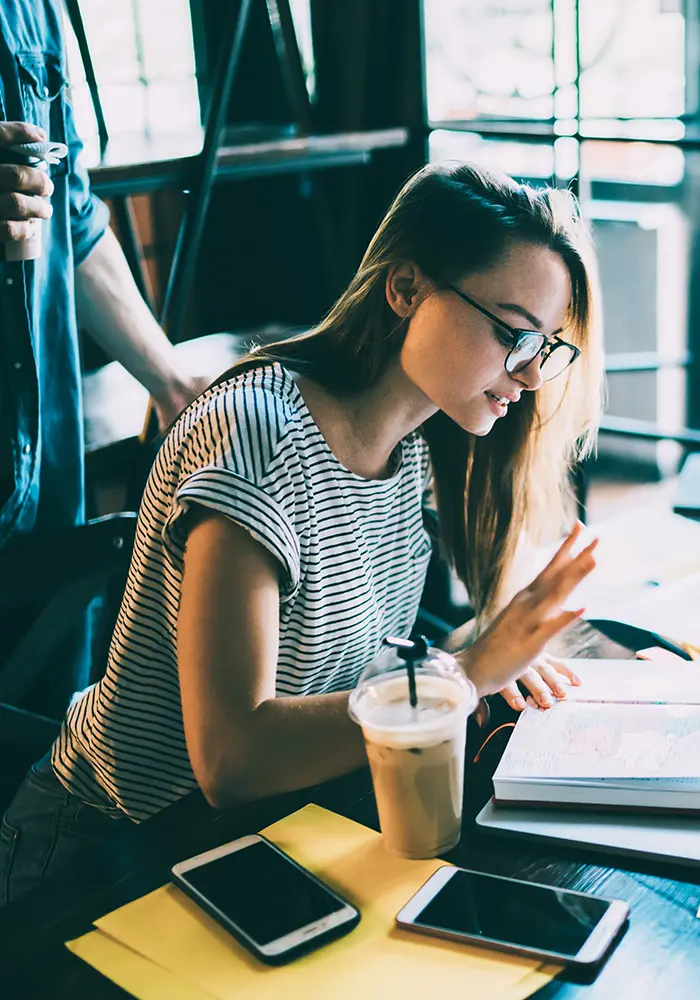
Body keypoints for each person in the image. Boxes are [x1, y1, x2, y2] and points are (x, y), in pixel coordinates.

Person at [0, 161, 603, 906]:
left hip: (259, 839)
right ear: (406, 288)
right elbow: (232, 756)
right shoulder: (259, 437)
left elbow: (341, 678)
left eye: (548, 346)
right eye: (514, 333)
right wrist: (466, 674)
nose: (533, 373)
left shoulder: (408, 446)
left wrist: (473, 665)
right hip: (106, 853)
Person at [0, 1, 206, 687]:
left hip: (43, 483)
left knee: (42, 756)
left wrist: (175, 383)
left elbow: (74, 222)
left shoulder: (33, 9)